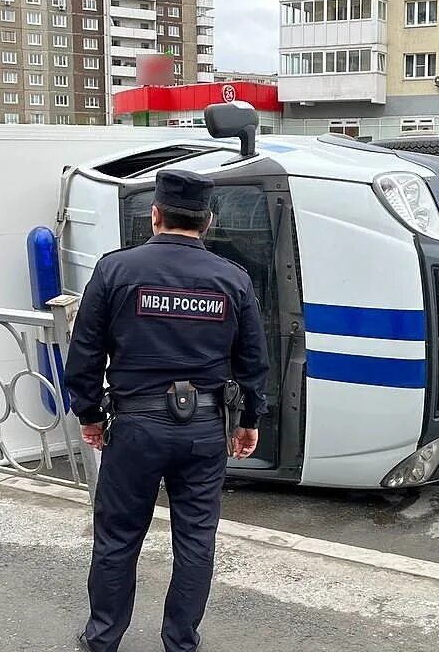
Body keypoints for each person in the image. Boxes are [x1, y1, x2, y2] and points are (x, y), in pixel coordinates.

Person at [65, 168, 270, 652]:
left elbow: (86, 351)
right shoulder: (232, 278)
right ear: (208, 221)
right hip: (203, 428)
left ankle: (103, 639)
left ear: (155, 214)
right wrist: (250, 420)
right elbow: (253, 360)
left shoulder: (115, 270)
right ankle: (180, 642)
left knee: (117, 537)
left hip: (135, 426)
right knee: (196, 540)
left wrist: (89, 413)